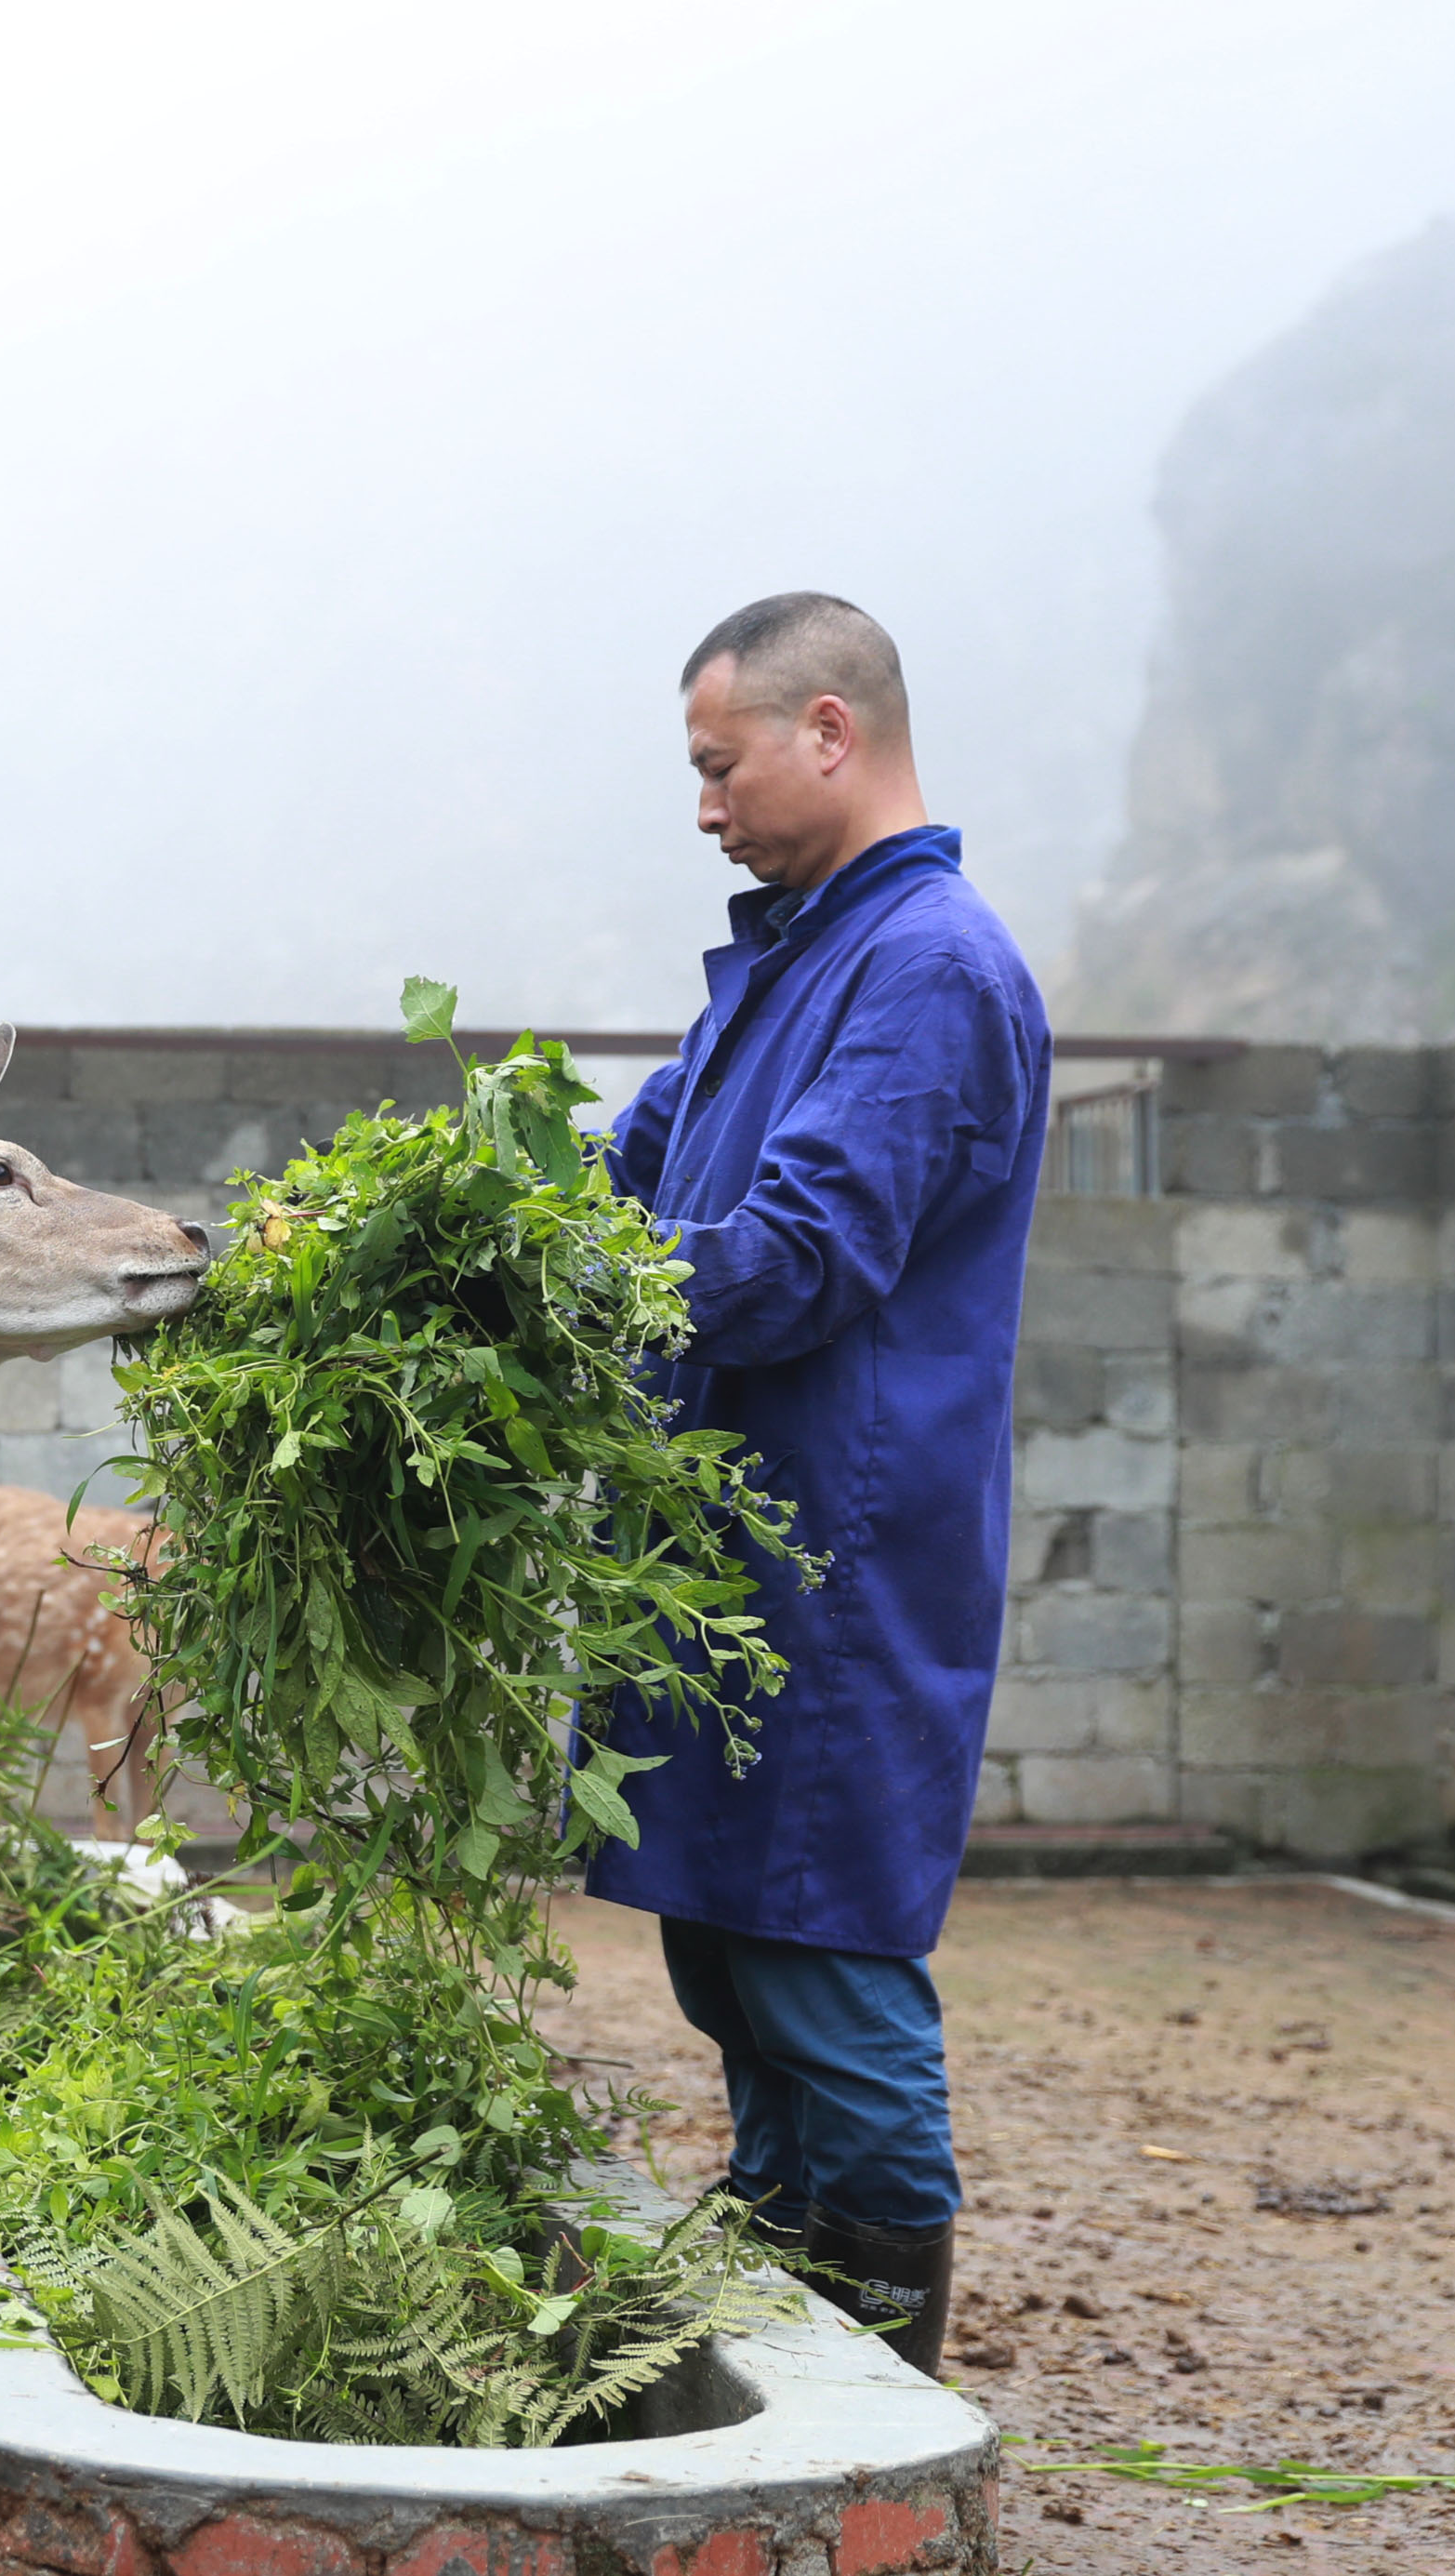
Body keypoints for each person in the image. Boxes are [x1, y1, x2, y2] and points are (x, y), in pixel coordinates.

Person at [590, 592, 1050, 2378]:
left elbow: (797, 1254)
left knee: (823, 1954)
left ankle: (869, 2424)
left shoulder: (928, 964)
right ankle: (782, 2340)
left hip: (837, 1549)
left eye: (721, 765)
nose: (706, 807)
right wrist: (429, 1234)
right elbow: (627, 1164)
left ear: (831, 731)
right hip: (730, 1537)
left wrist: (570, 1292)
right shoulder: (791, 960)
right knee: (728, 1948)